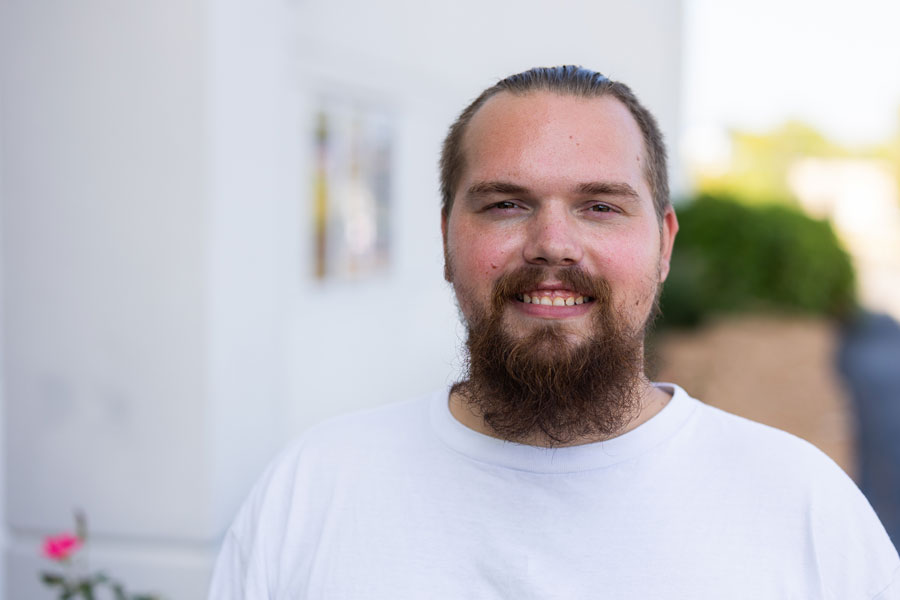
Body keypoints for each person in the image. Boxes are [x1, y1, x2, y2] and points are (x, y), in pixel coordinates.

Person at [208, 66, 900, 599]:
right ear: (447, 240)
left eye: (600, 205)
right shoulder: (315, 487)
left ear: (663, 245)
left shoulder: (801, 504)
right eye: (506, 204)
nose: (552, 244)